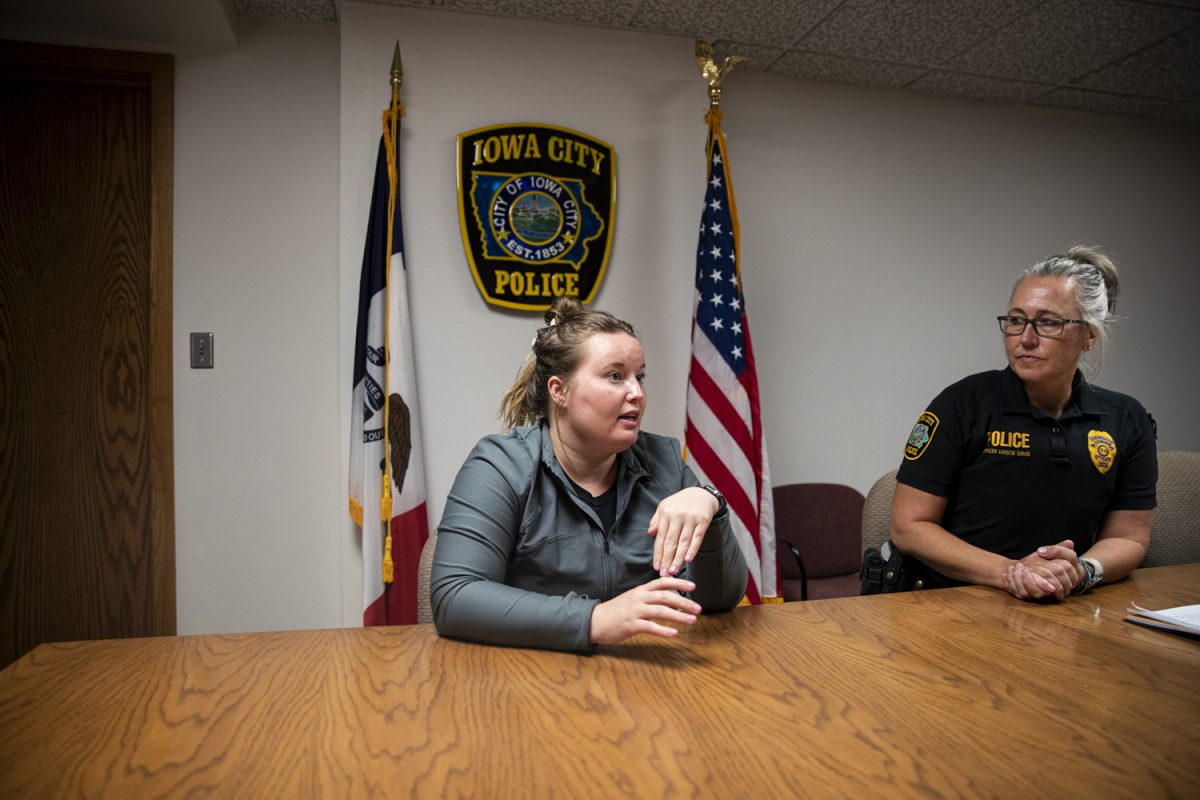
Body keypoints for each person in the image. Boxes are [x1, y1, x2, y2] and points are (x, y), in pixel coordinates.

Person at [431, 297, 747, 650]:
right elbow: (455, 597)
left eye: (639, 377)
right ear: (559, 391)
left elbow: (719, 601)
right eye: (615, 376)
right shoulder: (501, 465)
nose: (637, 393)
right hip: (528, 675)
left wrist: (711, 504)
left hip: (645, 677)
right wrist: (595, 620)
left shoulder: (665, 461)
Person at [890, 246, 1157, 601]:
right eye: (1016, 320)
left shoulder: (1127, 418)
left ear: (1089, 334)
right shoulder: (962, 403)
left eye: (1048, 322)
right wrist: (1010, 573)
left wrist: (1080, 571)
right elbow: (908, 527)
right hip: (954, 601)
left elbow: (1129, 537)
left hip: (1062, 605)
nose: (1025, 338)